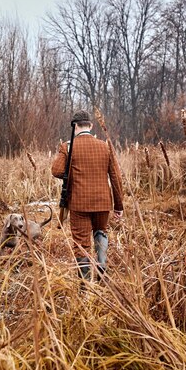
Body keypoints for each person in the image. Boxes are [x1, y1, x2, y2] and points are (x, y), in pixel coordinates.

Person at [51, 110, 124, 281]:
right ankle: (101, 268)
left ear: (75, 127)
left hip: (79, 204)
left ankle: (84, 286)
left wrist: (72, 172)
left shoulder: (68, 147)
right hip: (103, 203)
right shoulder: (106, 146)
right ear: (90, 126)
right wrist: (118, 206)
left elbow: (56, 171)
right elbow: (116, 177)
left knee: (81, 244)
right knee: (101, 232)